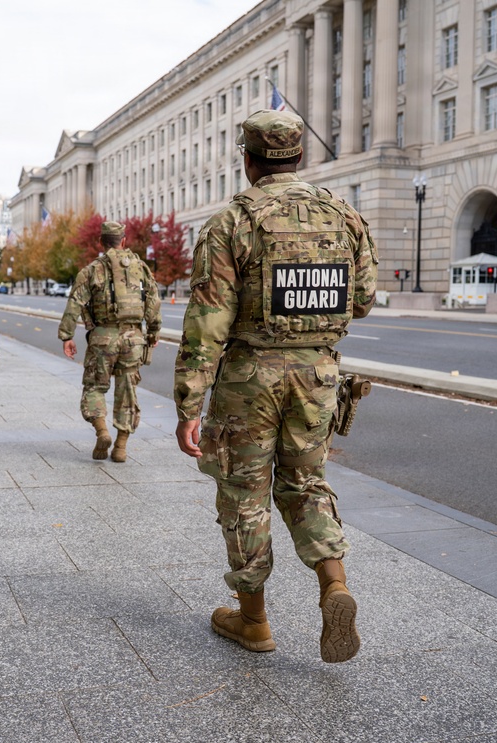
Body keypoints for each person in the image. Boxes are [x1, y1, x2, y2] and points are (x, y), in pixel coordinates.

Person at [173, 110, 378, 663]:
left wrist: (189, 402)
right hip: (318, 377)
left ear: (248, 160)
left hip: (248, 380)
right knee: (307, 483)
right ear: (298, 157)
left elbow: (208, 322)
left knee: (244, 497)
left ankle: (254, 622)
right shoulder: (344, 216)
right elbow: (360, 300)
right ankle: (334, 584)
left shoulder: (231, 221)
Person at [58, 221, 162, 463]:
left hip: (102, 338)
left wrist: (67, 336)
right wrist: (153, 333)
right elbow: (154, 304)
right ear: (124, 241)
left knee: (95, 387)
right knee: (128, 391)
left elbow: (75, 304)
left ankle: (102, 431)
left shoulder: (92, 270)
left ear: (101, 243)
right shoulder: (142, 269)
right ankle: (121, 447)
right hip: (133, 340)